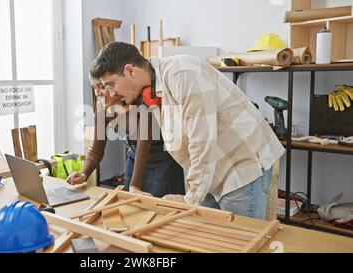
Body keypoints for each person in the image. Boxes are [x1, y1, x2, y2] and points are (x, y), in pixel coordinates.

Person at [89, 42, 285, 220]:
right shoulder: (153, 88)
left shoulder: (182, 74)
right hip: (209, 172)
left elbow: (202, 141)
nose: (111, 93)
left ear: (130, 71)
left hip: (240, 167)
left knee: (237, 242)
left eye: (110, 84)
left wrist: (190, 199)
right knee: (206, 237)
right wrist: (192, 191)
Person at [66, 74, 185, 198]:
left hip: (163, 162)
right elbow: (96, 150)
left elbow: (143, 145)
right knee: (132, 207)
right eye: (94, 87)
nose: (97, 93)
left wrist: (134, 186)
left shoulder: (140, 102)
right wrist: (84, 174)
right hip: (134, 160)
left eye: (101, 87)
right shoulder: (103, 110)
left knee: (165, 207)